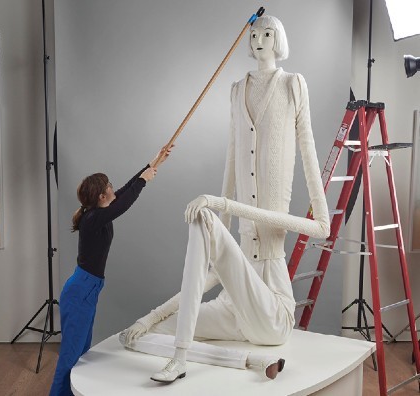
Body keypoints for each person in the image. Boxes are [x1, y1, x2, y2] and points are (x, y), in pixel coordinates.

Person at [118, 15, 330, 383]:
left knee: (207, 214)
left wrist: (224, 205)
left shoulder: (293, 85)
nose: (259, 39)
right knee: (149, 334)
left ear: (278, 39)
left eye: (267, 33)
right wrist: (149, 317)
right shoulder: (236, 90)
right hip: (232, 308)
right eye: (254, 34)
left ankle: (181, 359)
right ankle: (235, 360)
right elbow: (210, 272)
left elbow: (322, 228)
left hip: (271, 313)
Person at [49, 144, 173, 396]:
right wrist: (144, 180)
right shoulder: (94, 218)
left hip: (87, 289)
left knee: (82, 352)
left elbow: (127, 189)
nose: (112, 189)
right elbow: (125, 202)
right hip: (80, 291)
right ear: (101, 196)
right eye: (109, 187)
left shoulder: (98, 212)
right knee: (71, 356)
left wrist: (153, 163)